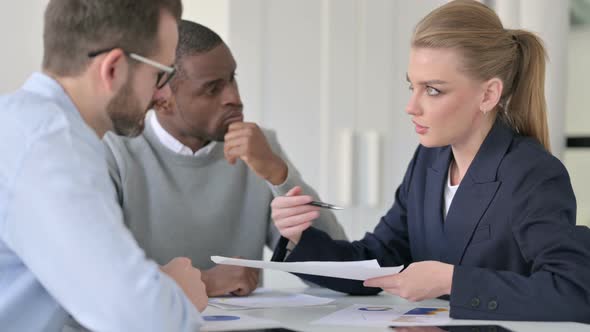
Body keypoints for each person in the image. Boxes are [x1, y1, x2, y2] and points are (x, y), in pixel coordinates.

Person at [270, 0, 590, 323]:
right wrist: (301, 236)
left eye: (433, 90)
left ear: (488, 95)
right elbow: (378, 259)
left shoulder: (532, 174)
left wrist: (451, 280)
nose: (411, 106)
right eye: (412, 86)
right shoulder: (429, 161)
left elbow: (575, 291)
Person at [0, 1, 208, 331]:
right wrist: (176, 295)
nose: (162, 95)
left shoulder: (18, 124)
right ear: (112, 69)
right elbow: (145, 319)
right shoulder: (54, 146)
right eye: (159, 75)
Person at [102, 20, 347, 297]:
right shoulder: (113, 153)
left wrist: (280, 175)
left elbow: (338, 270)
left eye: (233, 79)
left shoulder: (259, 151)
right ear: (161, 98)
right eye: (212, 89)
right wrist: (206, 282)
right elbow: (95, 275)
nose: (234, 98)